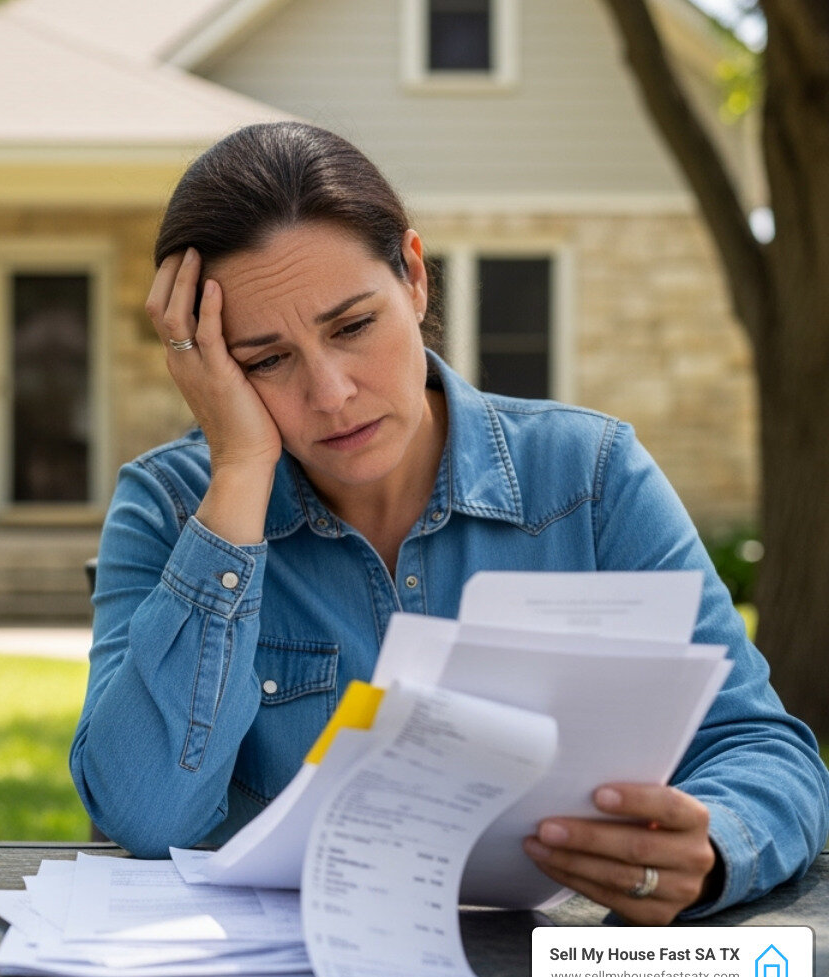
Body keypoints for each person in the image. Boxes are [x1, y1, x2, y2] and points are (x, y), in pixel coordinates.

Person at [71, 121, 829, 926]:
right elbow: (145, 814)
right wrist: (240, 475)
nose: (331, 394)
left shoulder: (591, 479)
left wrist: (710, 851)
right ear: (211, 368)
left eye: (352, 326)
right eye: (266, 360)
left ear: (415, 279)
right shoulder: (172, 507)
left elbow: (763, 750)